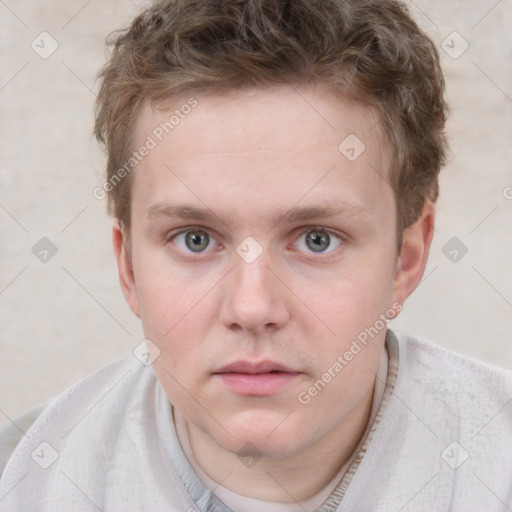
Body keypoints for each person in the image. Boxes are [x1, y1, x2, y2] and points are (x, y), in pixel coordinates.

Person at [1, 0, 511, 510]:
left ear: (406, 257)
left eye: (317, 239)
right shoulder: (25, 475)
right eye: (195, 239)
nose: (252, 308)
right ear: (129, 266)